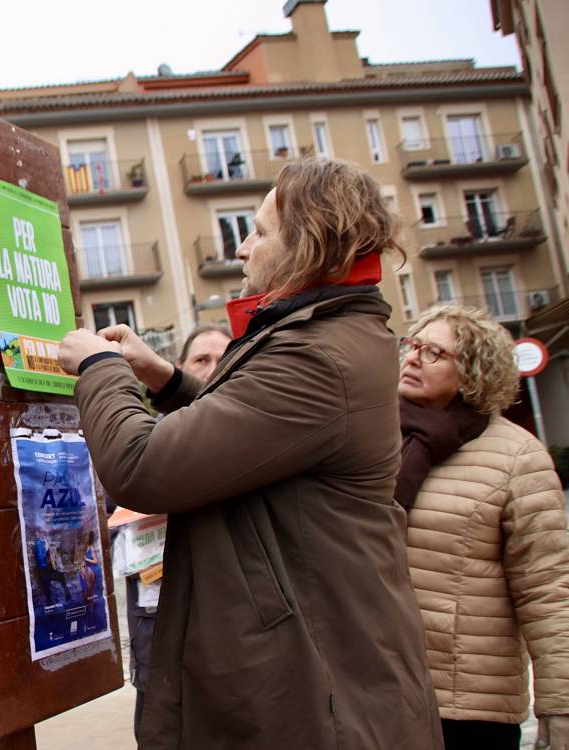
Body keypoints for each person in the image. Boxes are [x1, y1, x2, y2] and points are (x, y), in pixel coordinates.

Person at [58, 157, 440, 749]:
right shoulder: (327, 335)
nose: (242, 248)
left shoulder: (316, 356)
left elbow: (141, 466)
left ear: (308, 247)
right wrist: (164, 377)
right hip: (317, 676)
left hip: (317, 695)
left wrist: (98, 368)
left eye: (260, 232)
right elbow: (260, 435)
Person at [396, 305, 569, 750]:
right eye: (411, 345)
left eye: (434, 352)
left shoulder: (517, 459)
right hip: (381, 691)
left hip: (468, 703)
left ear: (473, 372)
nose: (412, 358)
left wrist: (560, 702)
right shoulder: (374, 437)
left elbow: (547, 589)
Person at [115, 323, 232, 739]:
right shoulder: (144, 437)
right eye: (202, 360)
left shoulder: (248, 440)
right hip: (153, 629)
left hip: (223, 645)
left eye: (223, 359)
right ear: (178, 367)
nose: (213, 369)